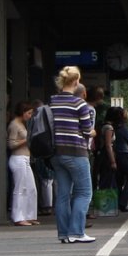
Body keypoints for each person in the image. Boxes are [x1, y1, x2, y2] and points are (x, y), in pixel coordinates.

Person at [49, 66, 95, 243]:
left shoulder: (52, 101)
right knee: (84, 192)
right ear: (76, 82)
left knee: (62, 194)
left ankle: (63, 233)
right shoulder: (79, 104)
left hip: (57, 153)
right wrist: (93, 133)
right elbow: (86, 130)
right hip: (76, 152)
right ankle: (76, 232)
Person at [8, 100, 39, 226]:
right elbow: (11, 144)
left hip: (25, 158)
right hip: (18, 158)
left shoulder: (22, 124)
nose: (30, 116)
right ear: (23, 112)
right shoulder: (14, 125)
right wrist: (27, 140)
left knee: (31, 188)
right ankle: (18, 217)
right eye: (29, 113)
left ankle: (29, 215)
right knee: (20, 189)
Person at [29, 98, 54, 216]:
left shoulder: (35, 118)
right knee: (49, 180)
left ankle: (47, 205)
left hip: (40, 154)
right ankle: (48, 205)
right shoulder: (49, 115)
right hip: (50, 151)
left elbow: (31, 136)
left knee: (46, 180)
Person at [112, 107, 128, 212]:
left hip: (115, 155)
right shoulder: (124, 129)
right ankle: (123, 202)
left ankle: (118, 202)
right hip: (124, 155)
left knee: (119, 180)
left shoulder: (112, 127)